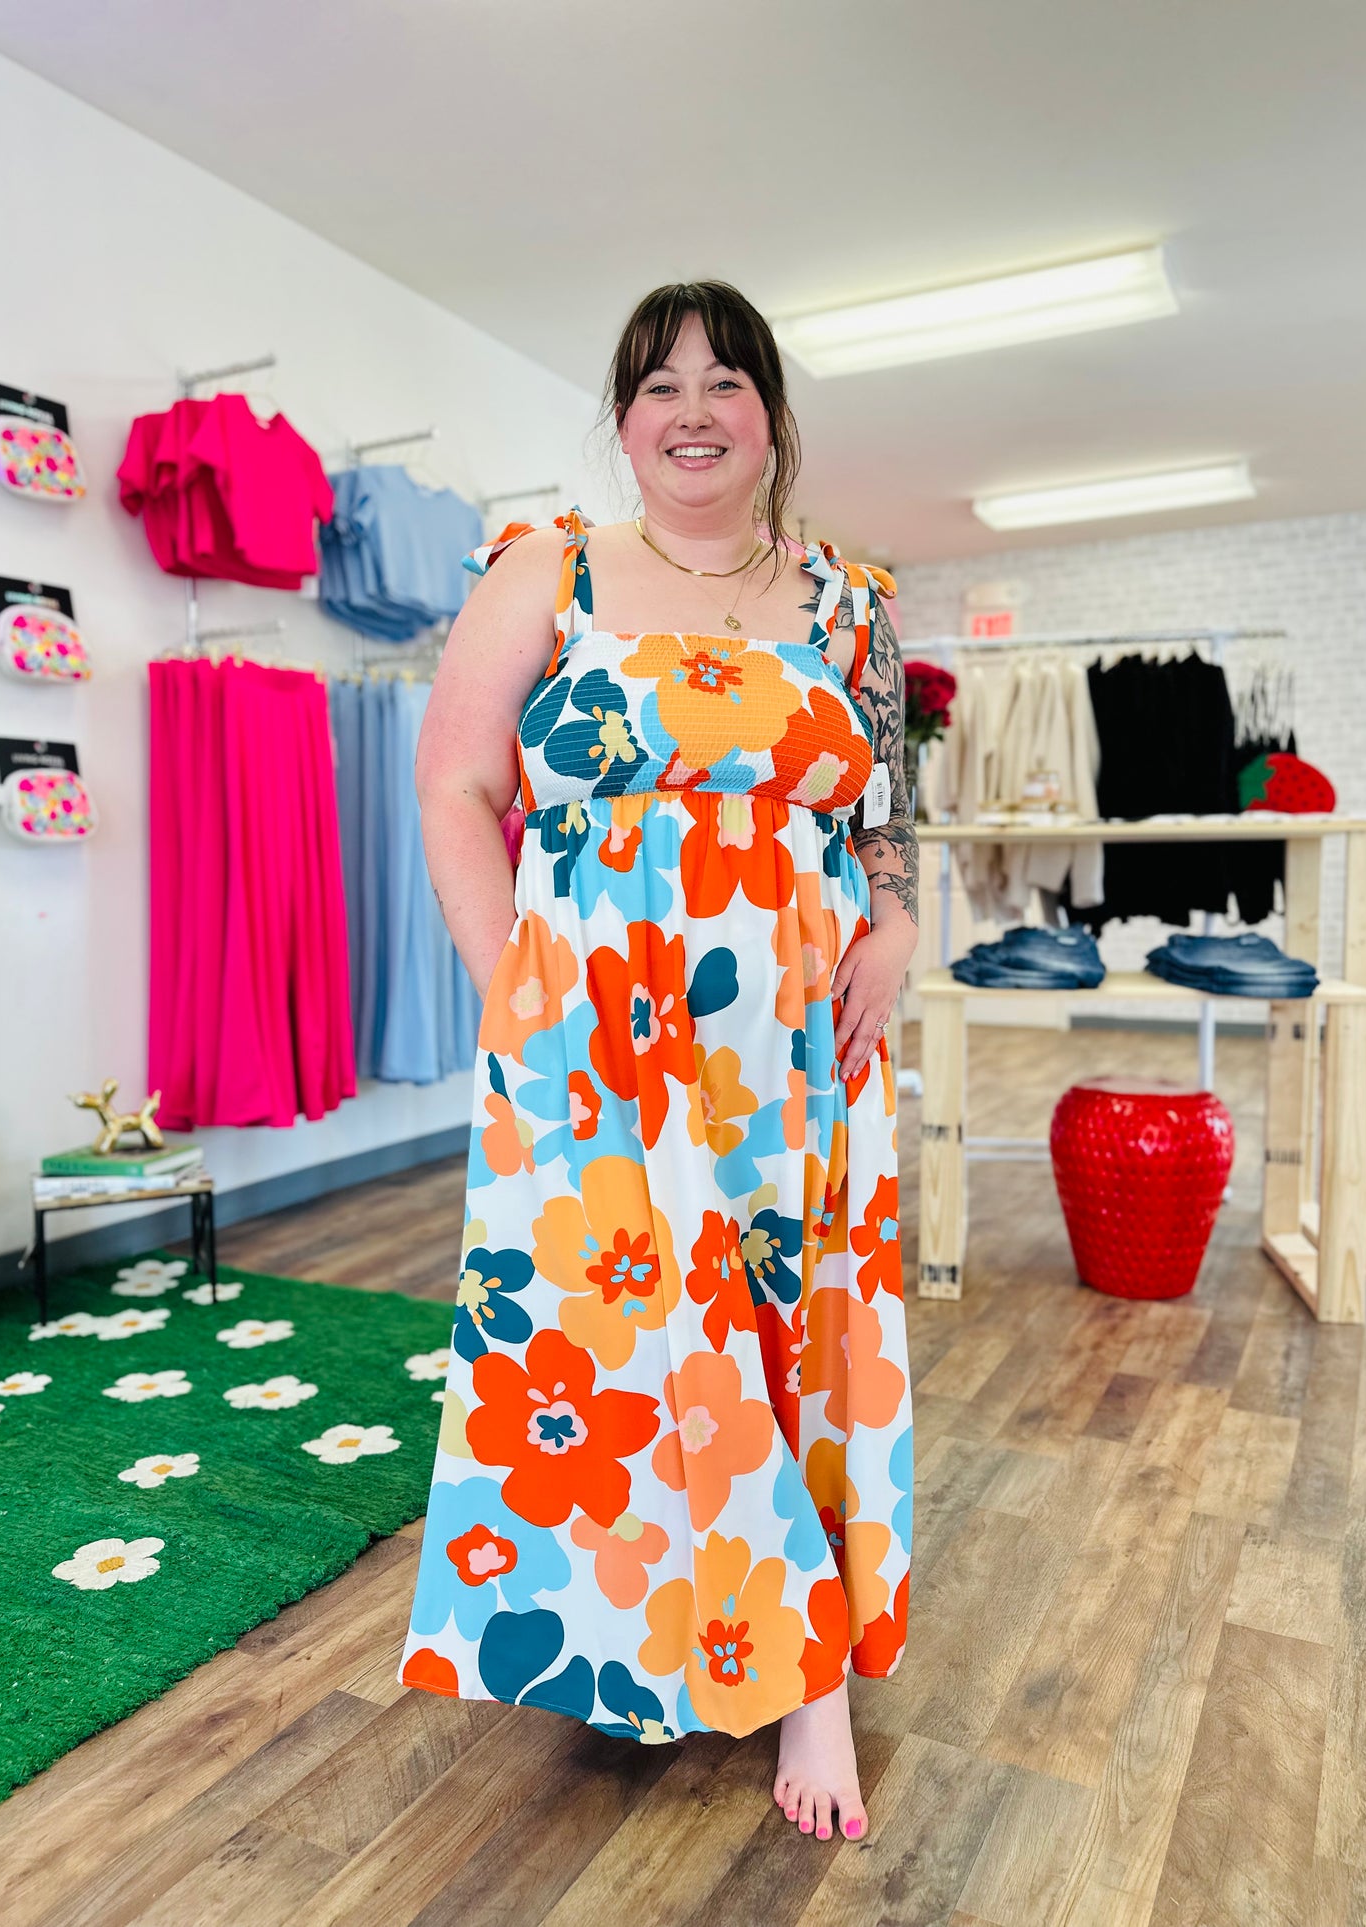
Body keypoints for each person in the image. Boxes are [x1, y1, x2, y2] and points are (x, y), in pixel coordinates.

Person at [399, 282, 916, 1845]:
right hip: (597, 1035)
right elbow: (454, 787)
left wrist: (891, 924)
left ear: (769, 414)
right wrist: (517, 1000)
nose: (691, 409)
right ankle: (655, 1639)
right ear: (623, 420)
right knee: (623, 1349)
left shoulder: (849, 598)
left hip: (793, 1037)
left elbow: (879, 808)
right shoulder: (545, 567)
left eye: (725, 381)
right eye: (656, 385)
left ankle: (801, 1669)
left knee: (788, 1321)